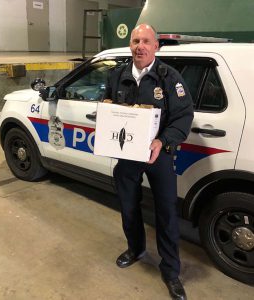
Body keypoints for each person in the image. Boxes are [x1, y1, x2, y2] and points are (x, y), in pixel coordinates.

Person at [103, 24, 194, 300]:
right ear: (130, 45)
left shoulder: (169, 78)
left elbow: (183, 116)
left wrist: (162, 141)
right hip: (128, 158)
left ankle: (171, 271)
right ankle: (136, 249)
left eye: (145, 41)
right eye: (135, 41)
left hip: (159, 156)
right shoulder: (117, 75)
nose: (139, 46)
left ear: (156, 46)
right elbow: (107, 106)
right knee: (128, 207)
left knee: (166, 214)